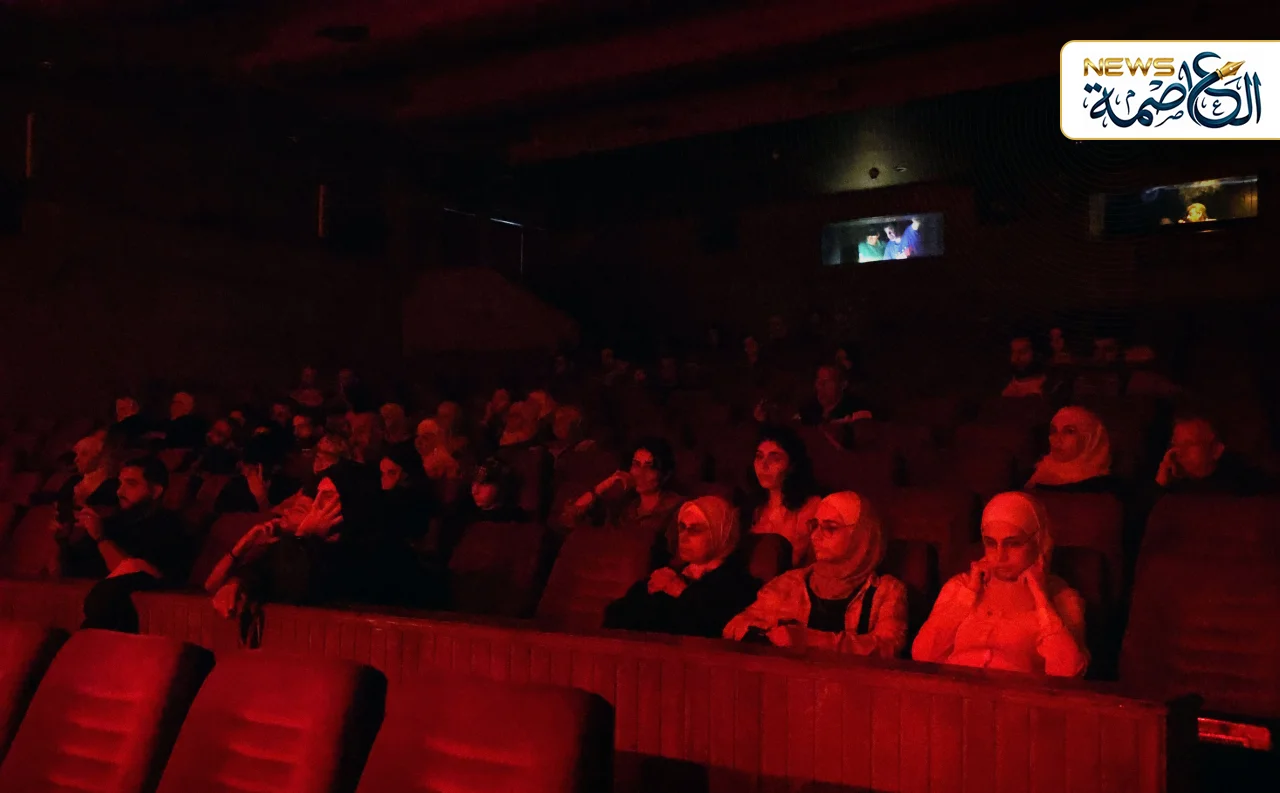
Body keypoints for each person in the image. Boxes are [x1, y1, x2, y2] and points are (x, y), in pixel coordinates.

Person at [912, 492, 1089, 677]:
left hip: (1014, 694)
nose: (1000, 556)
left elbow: (1068, 673)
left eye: (1013, 544)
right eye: (991, 543)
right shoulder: (960, 586)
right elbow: (923, 655)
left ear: (1038, 542)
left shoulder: (1061, 598)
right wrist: (968, 595)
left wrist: (1041, 599)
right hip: (954, 691)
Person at [723, 492, 908, 658]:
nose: (815, 536)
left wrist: (810, 640)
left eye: (830, 528)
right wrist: (770, 634)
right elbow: (734, 627)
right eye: (814, 526)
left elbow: (888, 646)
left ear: (860, 535)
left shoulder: (886, 591)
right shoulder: (790, 583)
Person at [604, 496, 760, 638]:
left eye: (695, 530)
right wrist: (648, 591)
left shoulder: (737, 583)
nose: (684, 537)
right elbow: (615, 615)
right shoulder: (672, 573)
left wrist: (680, 592)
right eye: (682, 527)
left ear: (720, 533)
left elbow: (707, 627)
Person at [78, 457, 191, 633]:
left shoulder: (167, 526)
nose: (119, 492)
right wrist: (63, 540)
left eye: (131, 484)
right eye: (120, 484)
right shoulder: (115, 522)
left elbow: (130, 574)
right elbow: (67, 572)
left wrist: (101, 539)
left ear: (156, 491)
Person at [562, 437, 684, 566]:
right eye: (636, 464)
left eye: (650, 467)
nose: (640, 473)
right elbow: (569, 519)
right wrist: (602, 487)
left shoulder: (677, 508)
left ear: (664, 474)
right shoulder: (624, 508)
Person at [747, 426, 821, 567]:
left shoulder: (811, 506)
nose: (764, 465)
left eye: (775, 459)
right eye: (759, 456)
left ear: (792, 465)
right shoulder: (754, 508)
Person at [51, 433, 120, 578]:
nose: (76, 459)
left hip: (97, 554)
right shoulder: (71, 483)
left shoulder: (113, 486)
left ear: (100, 457)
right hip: (69, 550)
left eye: (84, 454)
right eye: (76, 454)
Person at [1155, 416, 1273, 495]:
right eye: (1175, 444)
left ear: (1216, 449)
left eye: (1189, 444)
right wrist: (1160, 483)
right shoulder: (1174, 487)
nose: (1178, 451)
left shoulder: (1243, 484)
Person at [1025, 407, 1116, 492]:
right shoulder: (1038, 472)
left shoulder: (1101, 487)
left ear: (1089, 439)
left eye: (1069, 431)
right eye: (1054, 431)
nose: (1057, 440)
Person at [795, 364, 873, 427]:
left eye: (827, 382)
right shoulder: (808, 409)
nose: (820, 386)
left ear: (843, 384)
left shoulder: (856, 410)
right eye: (818, 381)